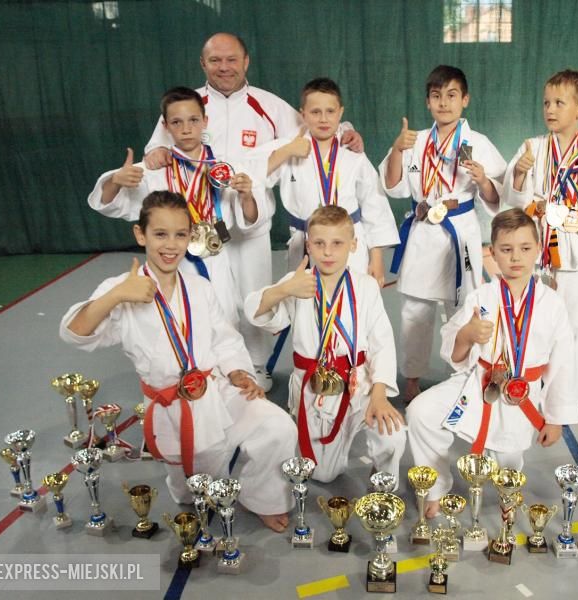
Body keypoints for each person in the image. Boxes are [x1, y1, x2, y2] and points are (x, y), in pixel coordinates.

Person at [60, 191, 297, 532]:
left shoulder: (199, 287)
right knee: (192, 493)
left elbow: (224, 338)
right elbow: (74, 332)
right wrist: (115, 297)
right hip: (172, 406)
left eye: (180, 235)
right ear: (140, 235)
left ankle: (263, 497)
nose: (170, 245)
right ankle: (187, 483)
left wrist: (239, 372)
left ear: (191, 237)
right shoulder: (122, 289)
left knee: (277, 427)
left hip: (214, 390)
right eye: (160, 234)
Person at [142, 33, 363, 390]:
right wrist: (154, 152)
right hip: (198, 228)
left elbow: (317, 123)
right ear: (203, 64)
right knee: (204, 295)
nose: (224, 67)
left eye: (232, 60)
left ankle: (257, 365)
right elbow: (159, 144)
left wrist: (349, 132)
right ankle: (211, 363)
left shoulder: (269, 106)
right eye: (215, 61)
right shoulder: (190, 107)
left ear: (246, 62)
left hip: (250, 222)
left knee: (255, 295)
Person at [406, 208, 578, 516]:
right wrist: (467, 335)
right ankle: (435, 487)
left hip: (519, 394)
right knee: (421, 412)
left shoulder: (552, 305)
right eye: (506, 249)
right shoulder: (480, 296)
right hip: (478, 384)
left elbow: (564, 364)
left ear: (538, 250)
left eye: (525, 248)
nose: (516, 257)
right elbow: (454, 350)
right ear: (493, 254)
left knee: (508, 463)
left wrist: (556, 417)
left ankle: (508, 494)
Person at [244, 206, 406, 487]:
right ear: (308, 244)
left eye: (337, 243)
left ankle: (381, 478)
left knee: (394, 435)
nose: (328, 252)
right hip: (314, 388)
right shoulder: (298, 283)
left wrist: (380, 395)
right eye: (319, 243)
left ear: (353, 245)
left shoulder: (365, 287)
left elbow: (383, 344)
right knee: (324, 474)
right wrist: (285, 290)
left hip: (359, 384)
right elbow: (255, 313)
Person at [87, 86, 266, 329]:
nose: (186, 129)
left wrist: (246, 196)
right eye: (177, 122)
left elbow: (250, 219)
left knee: (224, 324)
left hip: (215, 258)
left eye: (193, 120)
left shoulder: (224, 169)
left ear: (205, 121)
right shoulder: (154, 168)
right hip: (171, 258)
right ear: (166, 126)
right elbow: (111, 205)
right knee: (178, 324)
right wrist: (114, 181)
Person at [379, 65, 507, 402]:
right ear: (428, 102)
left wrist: (482, 180)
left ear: (464, 100)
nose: (444, 103)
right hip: (422, 233)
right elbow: (392, 185)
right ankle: (412, 377)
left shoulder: (477, 143)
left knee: (464, 308)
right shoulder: (414, 140)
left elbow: (499, 196)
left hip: (459, 233)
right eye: (437, 96)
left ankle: (463, 373)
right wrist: (395, 150)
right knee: (414, 313)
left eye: (451, 95)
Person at [502, 69, 578, 404]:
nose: (550, 109)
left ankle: (566, 396)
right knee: (529, 320)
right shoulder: (532, 147)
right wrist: (520, 173)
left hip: (572, 254)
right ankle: (526, 388)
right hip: (533, 252)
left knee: (571, 327)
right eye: (546, 103)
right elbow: (511, 202)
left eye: (559, 102)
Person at [264, 77, 399, 285]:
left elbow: (374, 203)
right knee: (305, 309)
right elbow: (259, 174)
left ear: (341, 112)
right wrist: (286, 152)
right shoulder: (290, 149)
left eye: (330, 111)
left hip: (349, 243)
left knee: (352, 304)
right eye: (315, 112)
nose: (323, 119)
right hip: (306, 243)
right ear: (303, 114)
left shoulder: (352, 151)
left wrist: (377, 257)